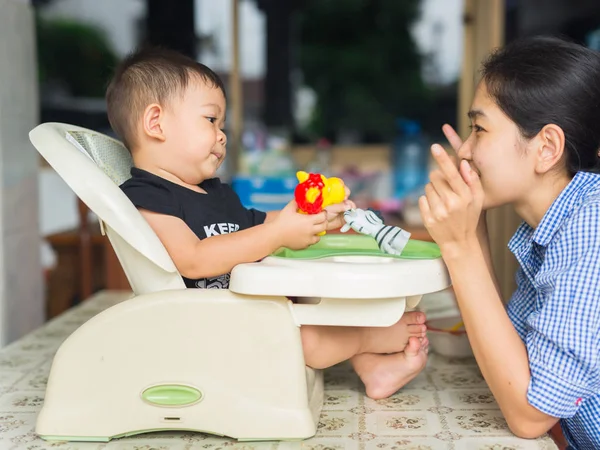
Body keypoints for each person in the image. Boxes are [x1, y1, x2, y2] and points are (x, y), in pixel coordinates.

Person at [106, 47, 429, 399]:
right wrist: (277, 233)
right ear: (156, 123)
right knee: (307, 337)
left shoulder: (214, 194)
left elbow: (259, 225)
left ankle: (371, 367)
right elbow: (194, 259)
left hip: (252, 309)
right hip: (211, 328)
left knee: (316, 295)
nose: (222, 135)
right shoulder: (147, 196)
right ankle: (371, 337)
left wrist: (314, 219)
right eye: (211, 120)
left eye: (222, 125)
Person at [419, 36, 600, 448]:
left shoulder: (592, 232)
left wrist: (459, 247)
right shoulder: (555, 228)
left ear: (546, 147)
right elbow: (509, 366)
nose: (465, 150)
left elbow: (529, 413)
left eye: (479, 129)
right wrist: (472, 223)